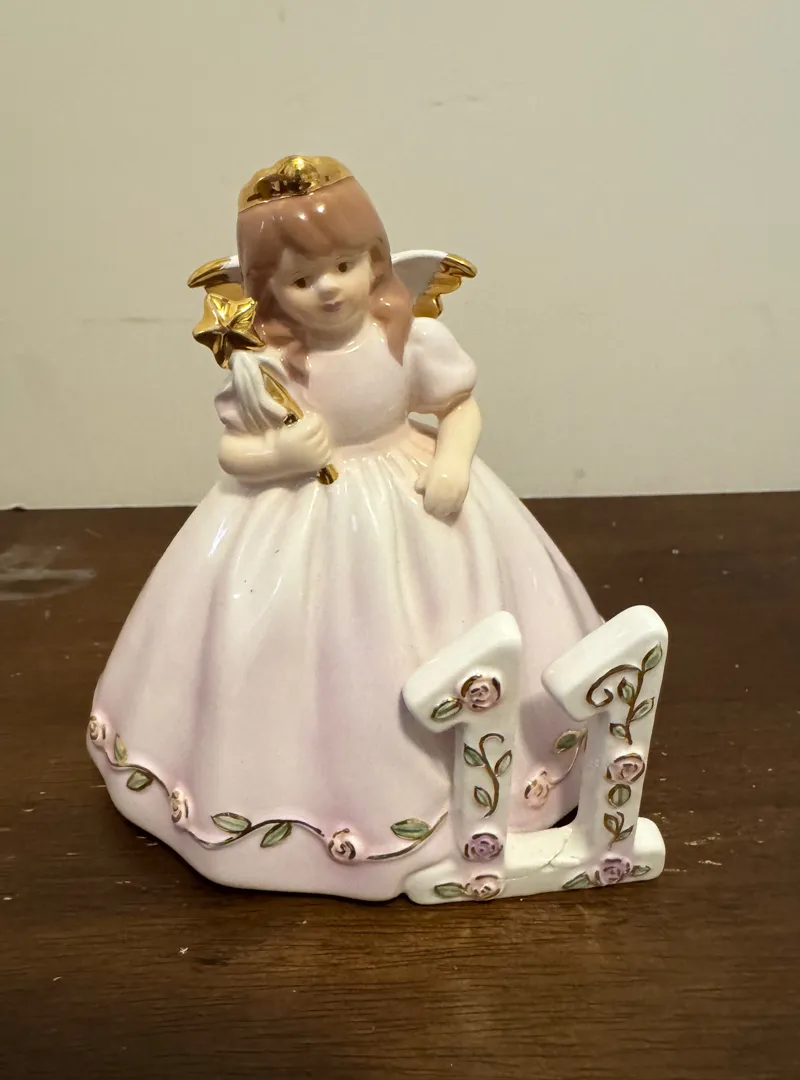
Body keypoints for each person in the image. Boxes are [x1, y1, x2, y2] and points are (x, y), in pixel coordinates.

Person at [89, 156, 601, 899]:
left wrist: (452, 459)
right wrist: (279, 454)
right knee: (297, 654)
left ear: (376, 260)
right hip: (296, 516)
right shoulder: (267, 367)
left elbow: (458, 407)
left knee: (452, 624)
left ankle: (496, 790)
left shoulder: (408, 340)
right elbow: (234, 451)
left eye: (344, 266)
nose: (328, 288)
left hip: (417, 504)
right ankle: (310, 811)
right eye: (301, 279)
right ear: (267, 291)